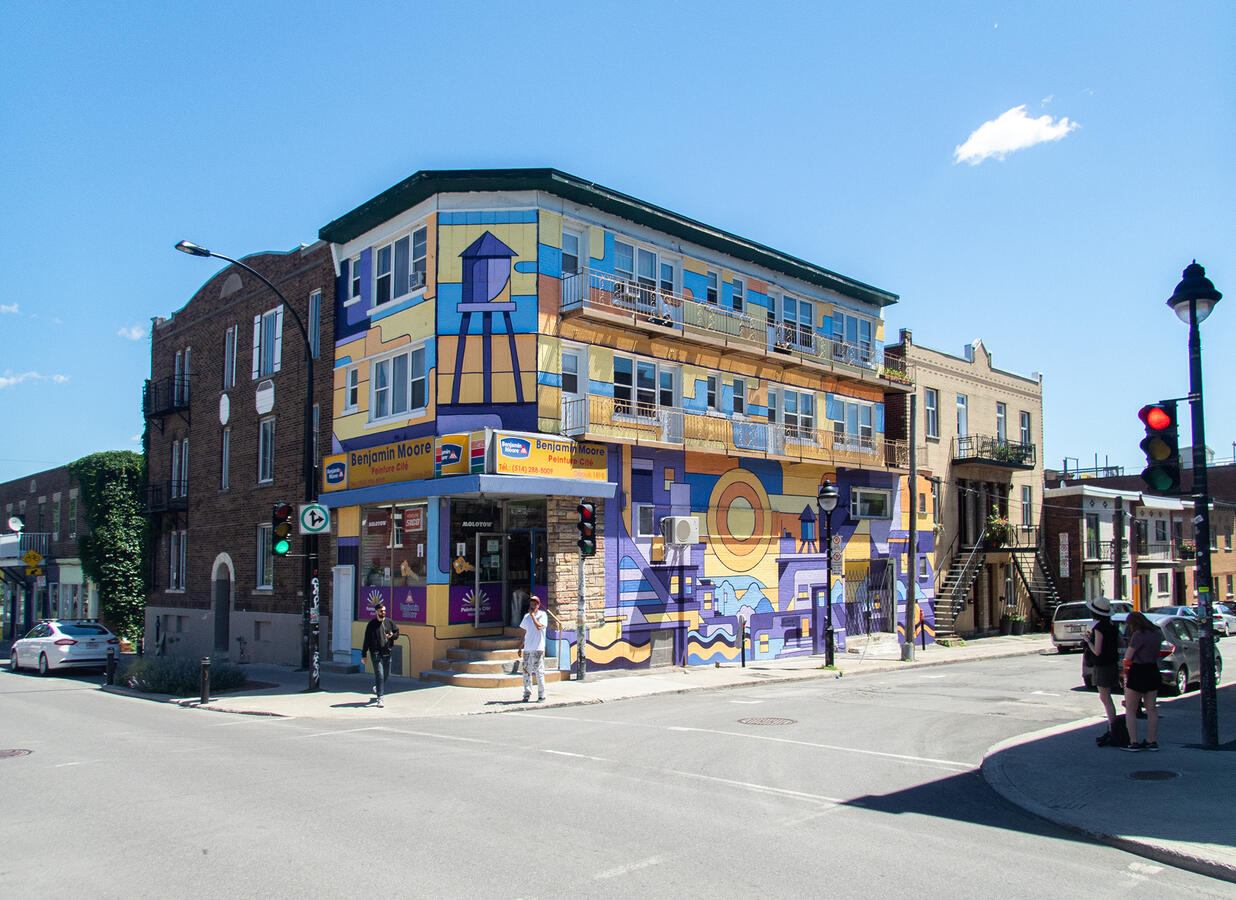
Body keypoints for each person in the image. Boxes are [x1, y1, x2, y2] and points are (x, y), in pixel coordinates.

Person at [1080, 597, 1120, 745]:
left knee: (1105, 698)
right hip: (1112, 664)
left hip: (1102, 665)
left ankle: (1113, 728)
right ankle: (1112, 727)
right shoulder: (1112, 627)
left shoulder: (1099, 628)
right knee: (1106, 697)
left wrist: (1088, 640)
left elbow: (1097, 651)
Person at [1122, 611, 1163, 751]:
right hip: (1152, 669)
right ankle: (1152, 741)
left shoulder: (1138, 635)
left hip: (1138, 671)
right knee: (1151, 708)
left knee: (1131, 709)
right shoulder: (1157, 633)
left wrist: (1125, 672)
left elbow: (1128, 656)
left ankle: (1133, 742)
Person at [362, 601, 399, 708]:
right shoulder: (371, 625)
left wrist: (392, 636)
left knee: (386, 675)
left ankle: (377, 687)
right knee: (380, 674)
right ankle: (380, 698)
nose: (383, 612)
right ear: (376, 612)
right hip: (375, 653)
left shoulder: (389, 622)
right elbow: (366, 640)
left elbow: (396, 633)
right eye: (381, 611)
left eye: (384, 611)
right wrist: (364, 654)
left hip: (387, 652)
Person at [518, 594, 548, 702]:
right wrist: (521, 646)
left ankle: (542, 694)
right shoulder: (526, 617)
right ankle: (527, 692)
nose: (533, 605)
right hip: (528, 648)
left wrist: (533, 616)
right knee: (526, 671)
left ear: (538, 605)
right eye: (531, 603)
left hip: (538, 648)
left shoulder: (542, 615)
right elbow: (524, 631)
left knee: (539, 672)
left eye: (535, 604)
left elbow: (539, 627)